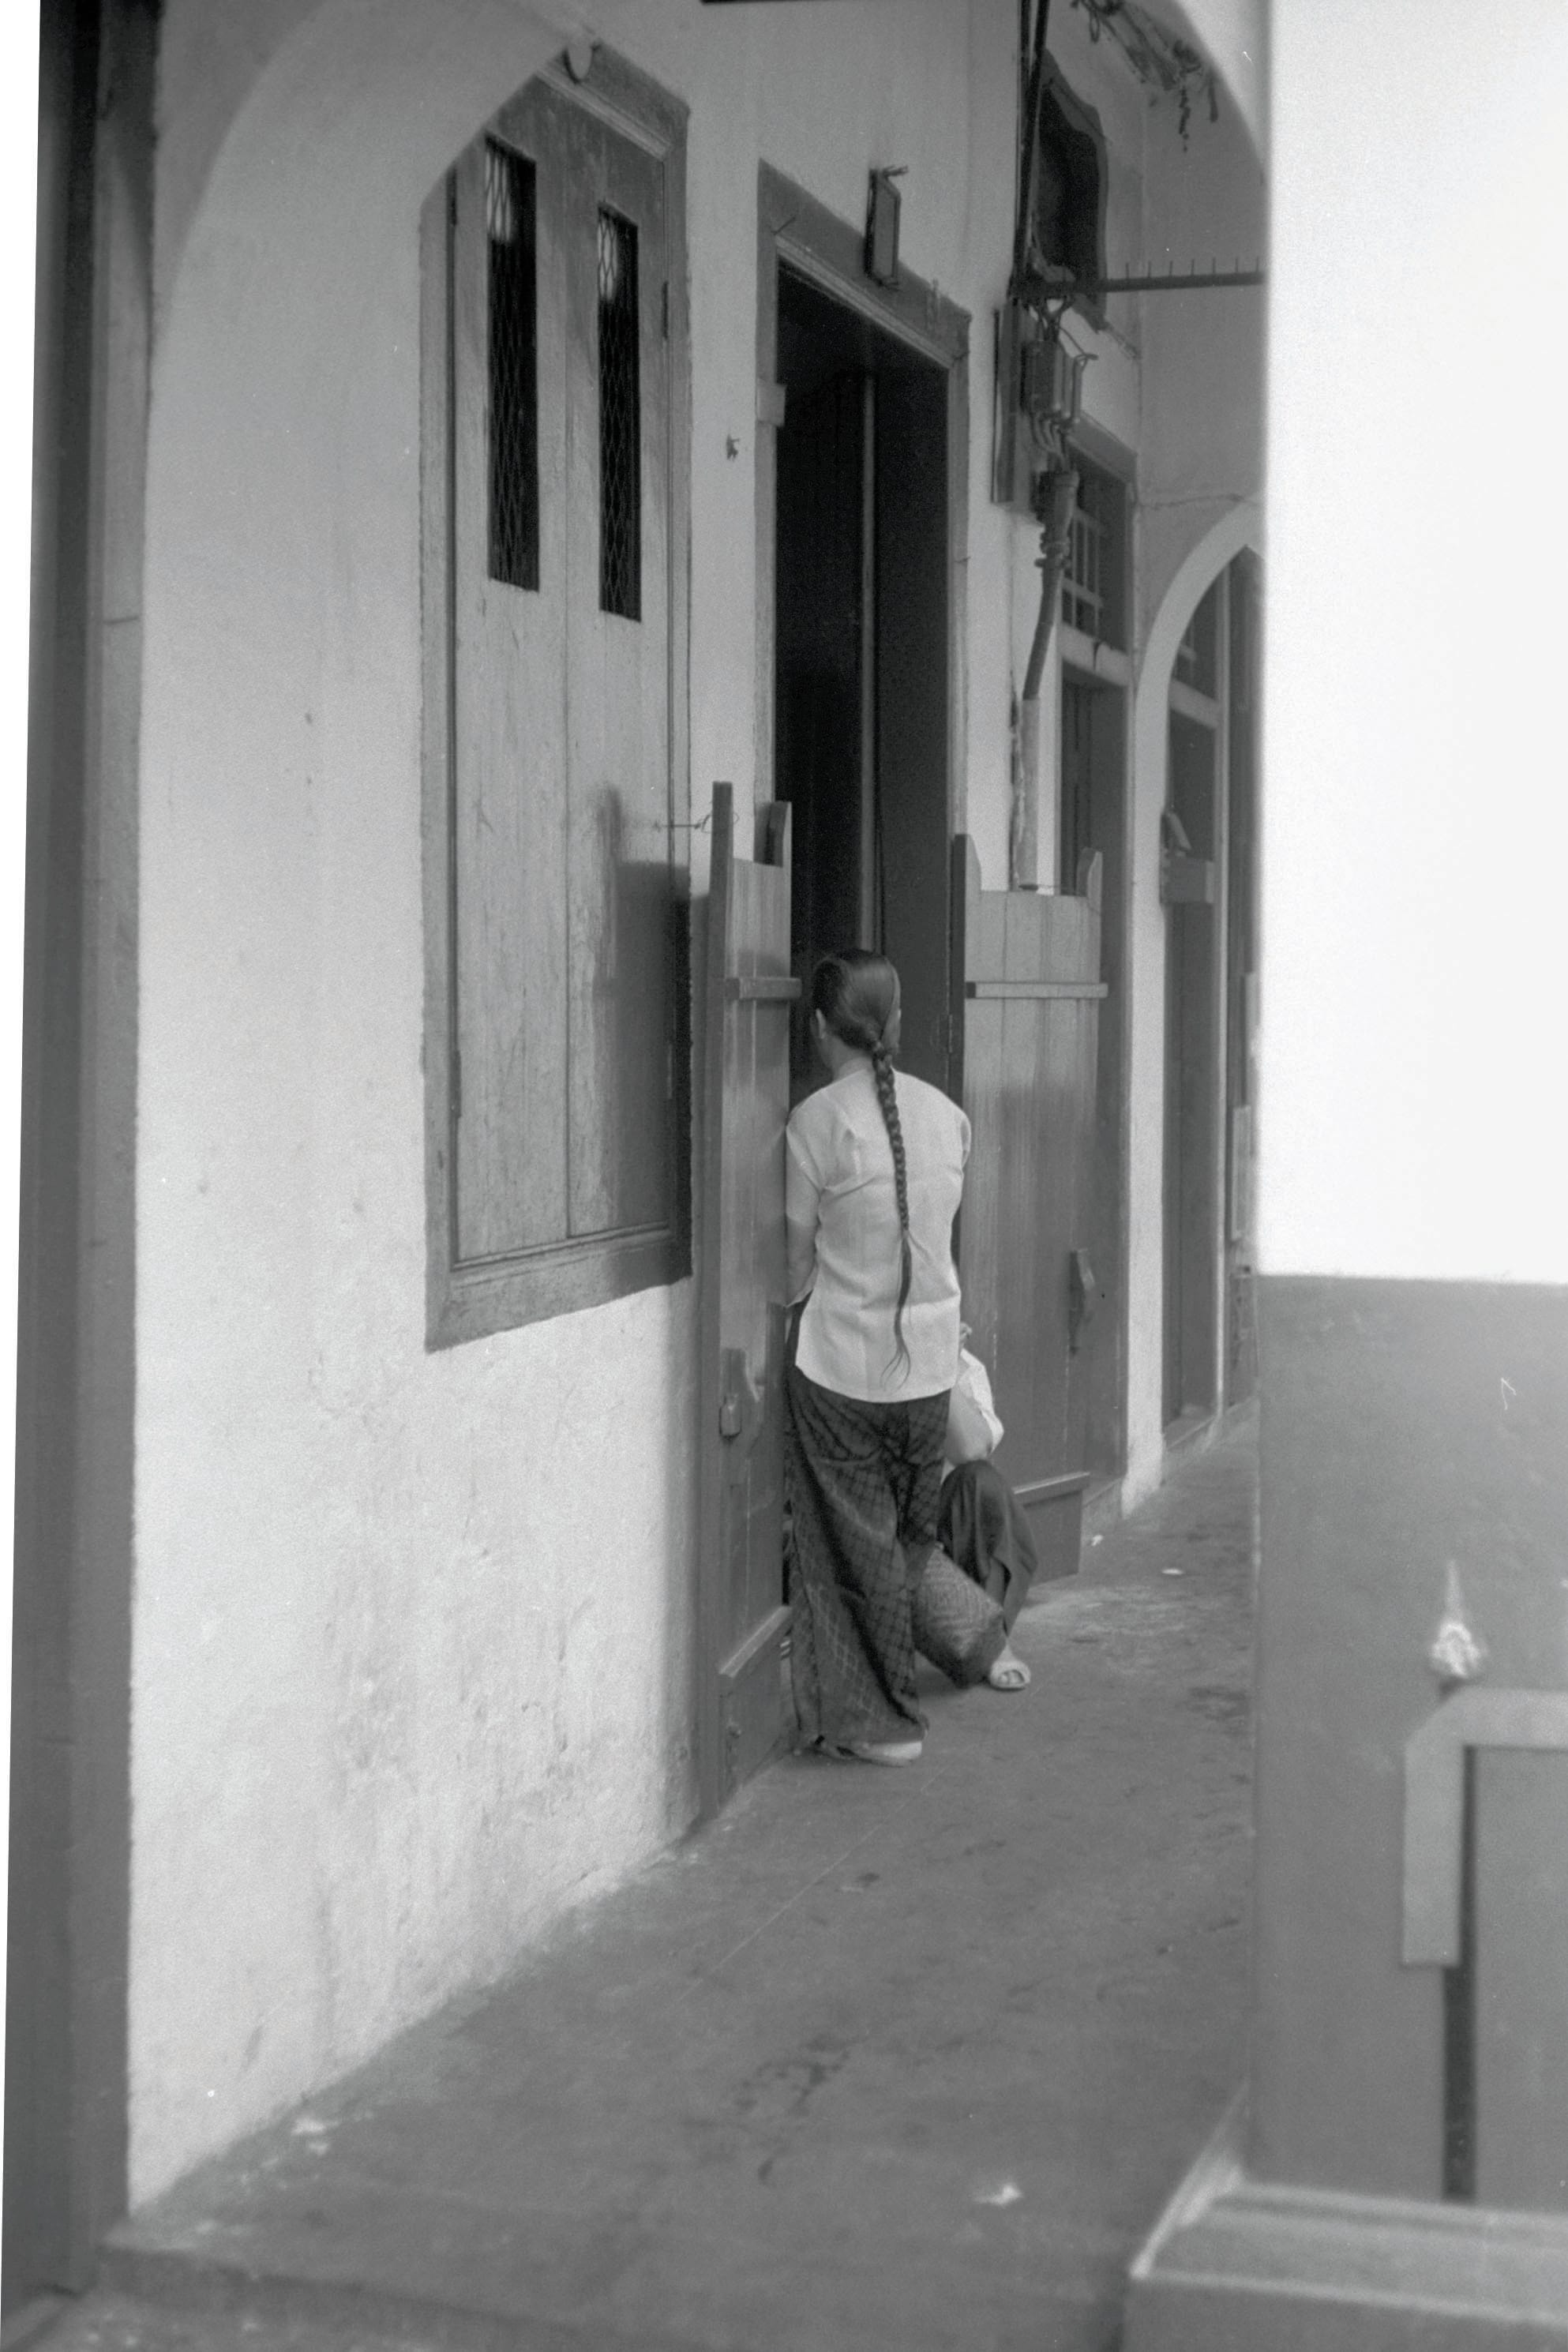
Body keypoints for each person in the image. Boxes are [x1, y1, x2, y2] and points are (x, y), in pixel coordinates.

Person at [784, 949, 1009, 1765]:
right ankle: (972, 1642)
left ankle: (883, 1723)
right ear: (898, 1025)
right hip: (926, 1373)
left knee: (853, 1544)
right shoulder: (949, 1116)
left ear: (818, 1028)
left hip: (842, 1369)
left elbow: (790, 1260)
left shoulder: (815, 1123)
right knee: (908, 1539)